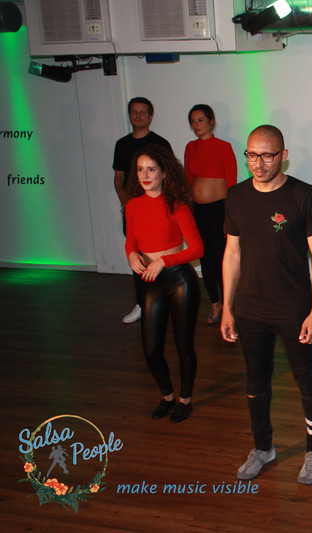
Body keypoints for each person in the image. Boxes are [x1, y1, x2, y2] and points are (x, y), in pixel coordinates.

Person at [221, 125, 312, 485]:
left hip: (293, 307)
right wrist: (227, 306)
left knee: (306, 379)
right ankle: (263, 447)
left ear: (283, 155)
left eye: (267, 155)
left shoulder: (304, 195)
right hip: (251, 308)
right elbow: (232, 253)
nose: (259, 163)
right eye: (252, 155)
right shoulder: (236, 196)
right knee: (256, 380)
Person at [124, 145, 203, 423]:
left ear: (165, 172)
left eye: (151, 169)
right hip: (150, 282)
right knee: (151, 349)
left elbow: (197, 249)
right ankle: (167, 396)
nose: (145, 175)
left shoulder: (176, 205)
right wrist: (131, 254)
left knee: (184, 345)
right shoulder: (132, 205)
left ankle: (185, 399)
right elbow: (131, 241)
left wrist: (163, 261)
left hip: (179, 280)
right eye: (140, 170)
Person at [113, 97, 173, 324]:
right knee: (136, 256)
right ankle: (141, 303)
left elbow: (169, 176)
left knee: (160, 254)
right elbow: (118, 176)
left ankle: (165, 301)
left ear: (150, 116)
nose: (137, 116)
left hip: (158, 211)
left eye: (142, 112)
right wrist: (125, 200)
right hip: (133, 211)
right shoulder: (122, 144)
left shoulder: (160, 143)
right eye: (134, 112)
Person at [184, 104, 237, 325]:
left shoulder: (224, 147)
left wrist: (229, 216)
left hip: (219, 210)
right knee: (204, 258)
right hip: (198, 211)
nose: (197, 125)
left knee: (222, 258)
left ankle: (228, 304)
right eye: (193, 121)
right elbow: (188, 180)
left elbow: (232, 183)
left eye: (201, 120)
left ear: (211, 121)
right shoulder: (190, 147)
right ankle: (215, 302)